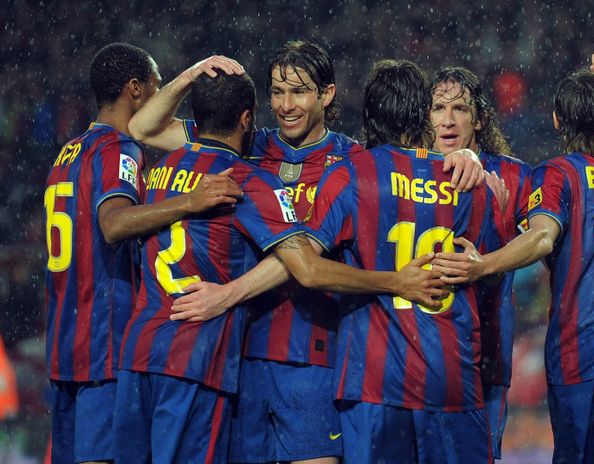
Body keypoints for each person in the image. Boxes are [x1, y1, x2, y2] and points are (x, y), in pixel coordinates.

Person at [127, 40, 484, 464]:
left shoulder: (352, 159)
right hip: (242, 353)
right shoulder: (245, 145)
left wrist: (468, 157)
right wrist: (193, 73)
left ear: (326, 95)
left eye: (298, 91)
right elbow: (143, 129)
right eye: (277, 92)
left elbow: (409, 170)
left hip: (316, 352)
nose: (285, 104)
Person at [433, 30, 594, 462]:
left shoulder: (558, 174)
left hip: (577, 358)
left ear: (556, 122)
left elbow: (543, 235)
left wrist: (481, 265)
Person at [297, 59, 506, 463]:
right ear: (421, 114)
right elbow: (492, 276)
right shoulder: (468, 186)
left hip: (374, 380)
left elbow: (307, 267)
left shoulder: (349, 176)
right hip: (451, 376)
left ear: (370, 115)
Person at [42, 42, 242, 464]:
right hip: (103, 343)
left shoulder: (67, 153)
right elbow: (114, 224)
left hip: (64, 345)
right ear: (135, 88)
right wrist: (189, 202)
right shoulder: (118, 149)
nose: (160, 98)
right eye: (155, 85)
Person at [429, 66, 532, 461]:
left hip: (485, 354)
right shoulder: (407, 169)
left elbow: (541, 248)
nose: (448, 119)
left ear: (480, 118)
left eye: (459, 108)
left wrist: (501, 228)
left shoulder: (515, 175)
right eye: (438, 108)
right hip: (414, 355)